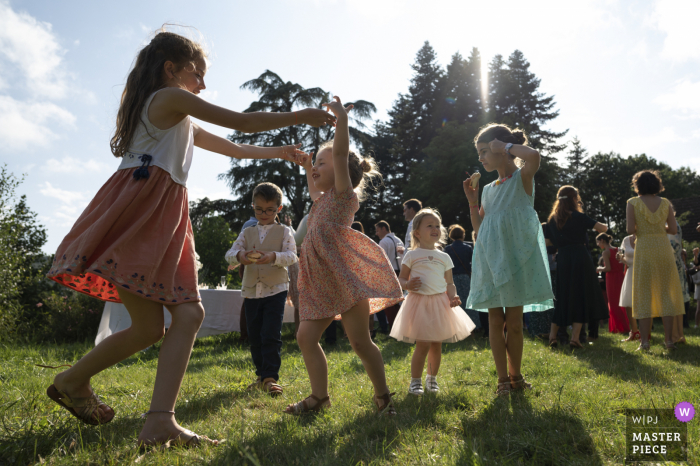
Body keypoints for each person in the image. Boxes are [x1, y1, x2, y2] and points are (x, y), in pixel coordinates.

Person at [42, 30, 331, 447]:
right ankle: (157, 421)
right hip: (147, 213)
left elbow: (234, 146)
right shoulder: (166, 99)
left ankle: (74, 381)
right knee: (188, 316)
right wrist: (300, 115)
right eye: (197, 73)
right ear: (170, 69)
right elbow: (241, 120)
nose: (202, 84)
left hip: (157, 212)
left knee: (148, 329)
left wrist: (279, 151)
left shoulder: (175, 115)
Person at [287, 97, 403, 416]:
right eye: (319, 165)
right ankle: (319, 397)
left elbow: (339, 154)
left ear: (342, 173)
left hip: (346, 282)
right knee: (305, 337)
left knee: (360, 343)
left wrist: (341, 122)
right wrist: (308, 166)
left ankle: (383, 397)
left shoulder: (342, 196)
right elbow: (314, 186)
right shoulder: (320, 202)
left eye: (322, 164)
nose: (318, 169)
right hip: (321, 283)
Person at [464, 124, 553, 397]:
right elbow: (479, 228)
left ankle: (516, 376)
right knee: (494, 319)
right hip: (490, 259)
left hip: (515, 259)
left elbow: (534, 156)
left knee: (514, 322)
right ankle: (502, 379)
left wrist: (505, 147)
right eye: (478, 152)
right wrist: (471, 200)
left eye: (484, 151)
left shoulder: (522, 178)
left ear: (498, 148)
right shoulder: (489, 189)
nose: (481, 158)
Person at [390, 209, 475, 395]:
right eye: (430, 225)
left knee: (437, 344)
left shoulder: (444, 257)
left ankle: (432, 378)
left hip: (440, 303)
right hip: (419, 304)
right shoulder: (411, 255)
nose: (435, 228)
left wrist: (453, 295)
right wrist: (409, 284)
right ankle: (415, 381)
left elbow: (449, 283)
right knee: (423, 344)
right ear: (418, 233)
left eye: (437, 225)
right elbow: (401, 280)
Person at [225, 183, 297, 397]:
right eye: (258, 209)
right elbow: (230, 254)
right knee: (255, 335)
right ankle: (261, 375)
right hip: (251, 290)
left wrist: (273, 257)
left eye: (269, 210)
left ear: (279, 209)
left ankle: (270, 378)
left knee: (271, 333)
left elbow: (292, 256)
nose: (263, 214)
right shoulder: (247, 232)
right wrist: (240, 257)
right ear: (253, 207)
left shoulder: (285, 232)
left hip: (276, 288)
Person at [627, 170, 685, 350]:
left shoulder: (632, 203)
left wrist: (643, 227)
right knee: (666, 294)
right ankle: (668, 341)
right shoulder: (666, 202)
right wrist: (659, 227)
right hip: (663, 249)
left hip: (644, 248)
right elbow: (674, 230)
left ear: (638, 185)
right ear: (656, 185)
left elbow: (630, 229)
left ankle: (644, 342)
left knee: (644, 293)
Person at [545, 186, 608, 349]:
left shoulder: (552, 219)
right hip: (580, 257)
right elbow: (603, 228)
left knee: (562, 296)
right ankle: (575, 339)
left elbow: (548, 242)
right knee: (580, 296)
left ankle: (553, 336)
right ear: (574, 199)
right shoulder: (578, 217)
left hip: (564, 257)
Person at [444, 224, 480, 329]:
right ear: (462, 235)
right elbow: (473, 263)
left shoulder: (448, 249)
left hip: (452, 279)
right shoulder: (468, 247)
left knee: (455, 302)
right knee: (469, 302)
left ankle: (457, 327)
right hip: (465, 277)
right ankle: (473, 327)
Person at [596, 233, 629, 334]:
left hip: (612, 279)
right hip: (621, 277)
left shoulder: (606, 252)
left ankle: (621, 328)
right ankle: (624, 326)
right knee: (621, 303)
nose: (597, 244)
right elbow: (624, 264)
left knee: (614, 304)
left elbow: (608, 268)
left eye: (597, 241)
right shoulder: (618, 249)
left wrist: (599, 268)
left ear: (602, 240)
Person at [375, 220, 404, 328]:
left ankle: (392, 328)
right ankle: (400, 326)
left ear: (384, 228)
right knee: (397, 302)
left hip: (389, 274)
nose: (376, 234)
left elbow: (381, 260)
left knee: (389, 303)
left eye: (377, 230)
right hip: (400, 273)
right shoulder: (399, 240)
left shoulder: (383, 242)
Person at [667, 210, 689, 344]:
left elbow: (673, 247)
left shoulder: (671, 224)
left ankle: (675, 336)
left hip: (672, 265)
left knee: (673, 301)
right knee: (677, 302)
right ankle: (680, 335)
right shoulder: (673, 223)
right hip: (676, 265)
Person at [617, 235, 641, 341]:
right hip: (630, 271)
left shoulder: (644, 235)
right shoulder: (626, 239)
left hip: (643, 271)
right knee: (628, 303)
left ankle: (646, 333)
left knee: (644, 301)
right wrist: (621, 258)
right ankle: (634, 332)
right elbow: (625, 257)